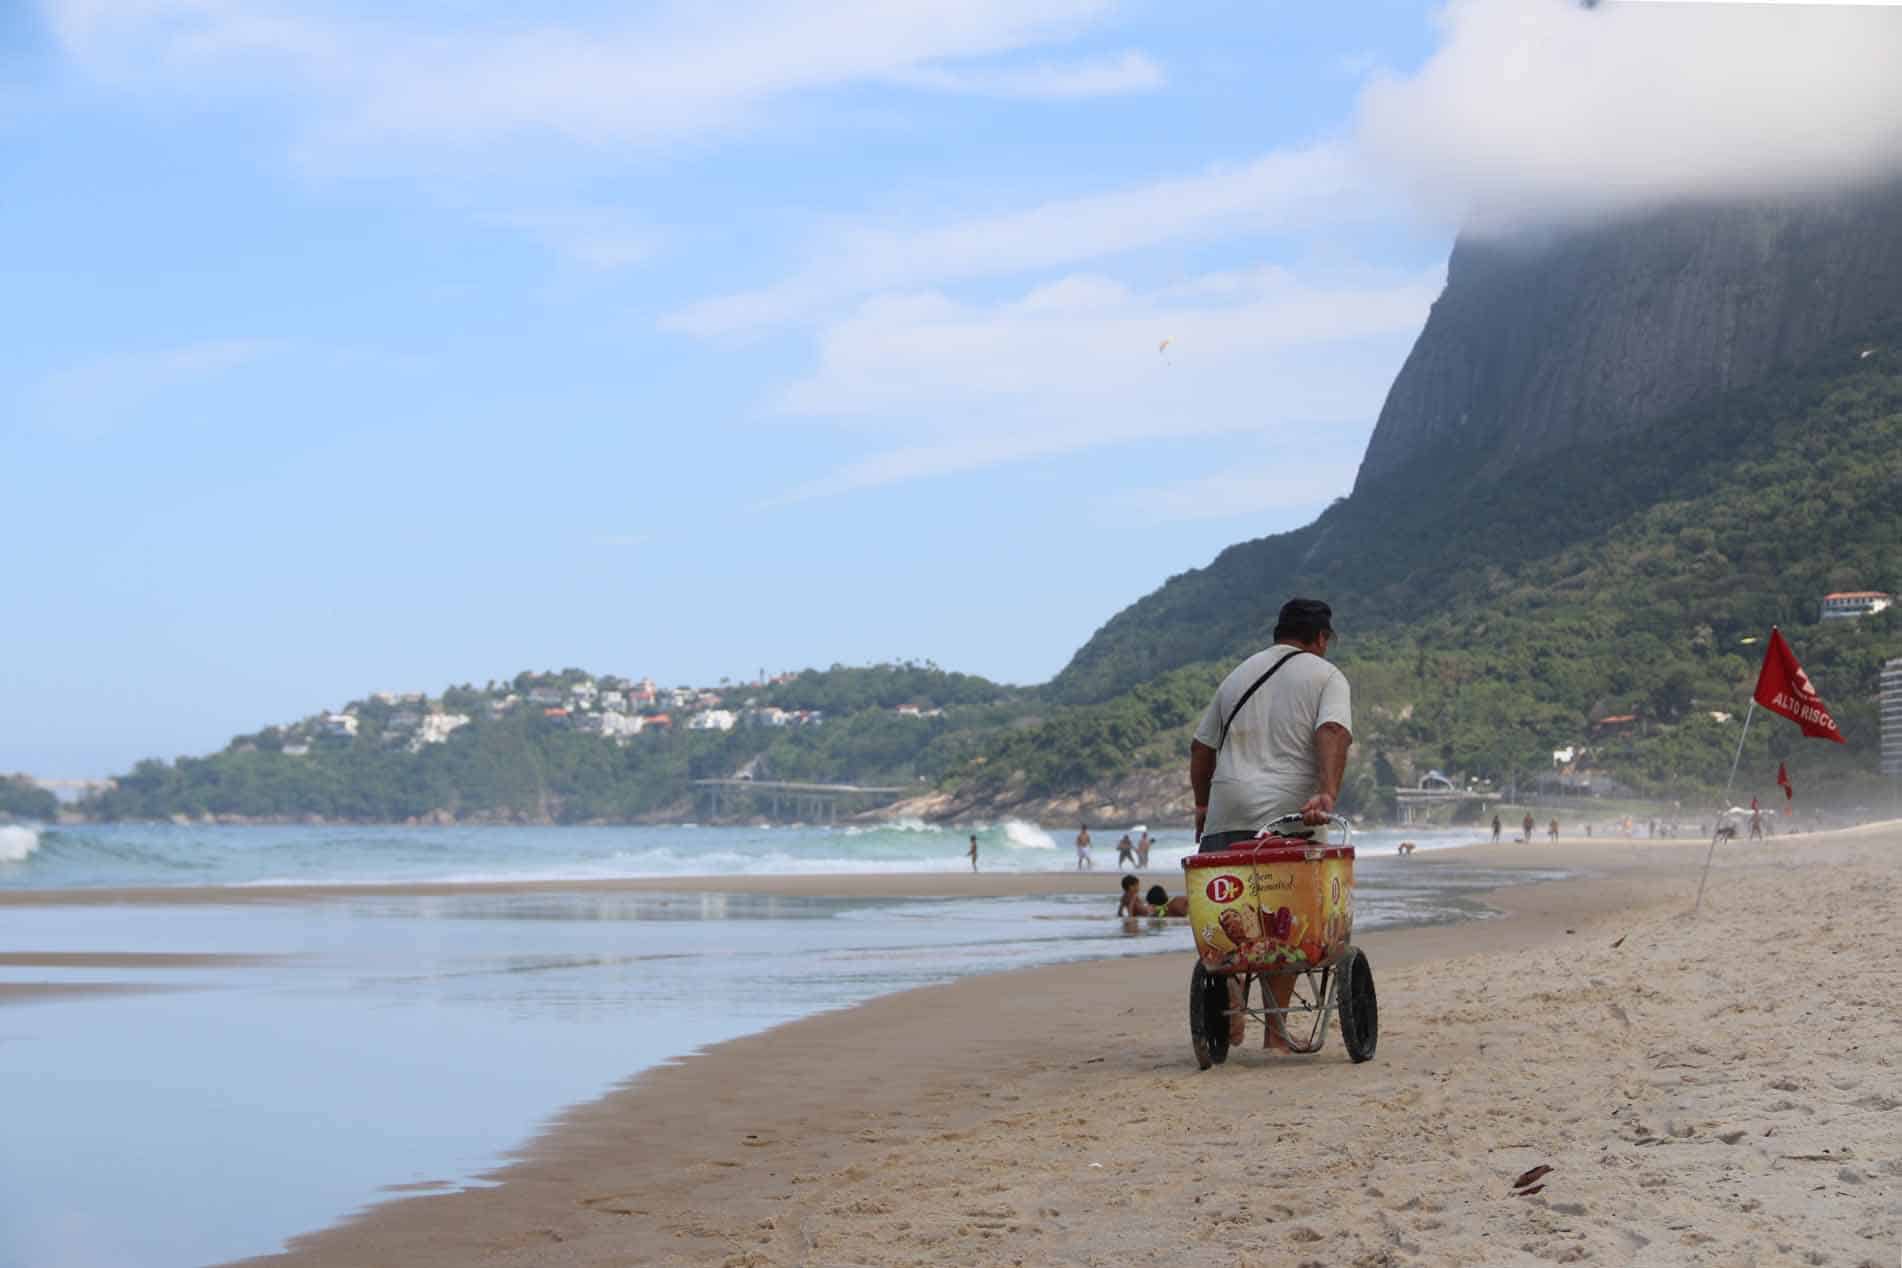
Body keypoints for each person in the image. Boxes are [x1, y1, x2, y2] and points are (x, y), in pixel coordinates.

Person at [1188, 597, 1351, 1048]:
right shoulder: (1327, 676)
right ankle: (1276, 1031)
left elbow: (1201, 749)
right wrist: (1327, 793)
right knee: (1287, 921)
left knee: (1230, 914)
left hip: (1227, 810)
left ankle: (1232, 986)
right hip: (1288, 814)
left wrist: (1203, 808)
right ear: (1321, 638)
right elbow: (1333, 731)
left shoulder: (1238, 675)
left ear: (1278, 632)